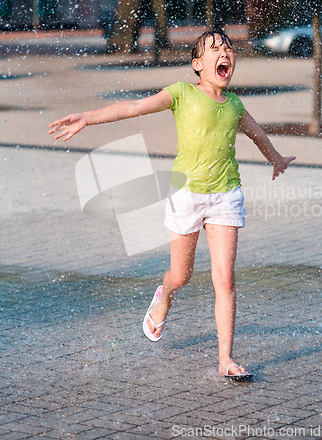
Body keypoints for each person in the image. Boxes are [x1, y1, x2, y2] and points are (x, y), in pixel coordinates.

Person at [49, 30, 295, 380]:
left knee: (224, 279)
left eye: (228, 49)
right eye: (215, 49)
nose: (224, 53)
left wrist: (276, 159)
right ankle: (164, 294)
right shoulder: (181, 94)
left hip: (226, 195)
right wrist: (89, 117)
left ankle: (225, 358)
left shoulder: (236, 105)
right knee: (181, 276)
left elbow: (256, 134)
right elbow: (133, 107)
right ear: (197, 64)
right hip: (187, 196)